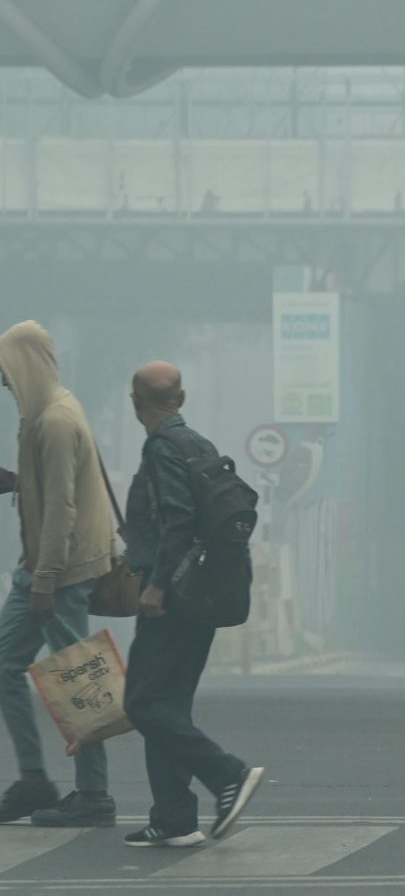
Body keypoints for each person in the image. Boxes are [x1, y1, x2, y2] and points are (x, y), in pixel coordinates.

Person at [121, 361, 264, 848]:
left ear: (135, 402)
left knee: (142, 702)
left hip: (175, 595)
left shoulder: (163, 447)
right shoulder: (198, 443)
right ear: (180, 400)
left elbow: (178, 520)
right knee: (169, 705)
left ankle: (227, 774)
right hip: (205, 590)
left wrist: (157, 584)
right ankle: (175, 817)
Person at [0, 321, 117, 828]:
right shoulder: (41, 414)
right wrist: (17, 483)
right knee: (6, 666)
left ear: (25, 365)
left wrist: (45, 581)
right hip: (41, 569)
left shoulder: (54, 421)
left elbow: (62, 512)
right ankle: (34, 780)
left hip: (60, 574)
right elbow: (49, 489)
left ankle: (94, 795)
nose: (2, 381)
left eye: (6, 369)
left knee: (78, 683)